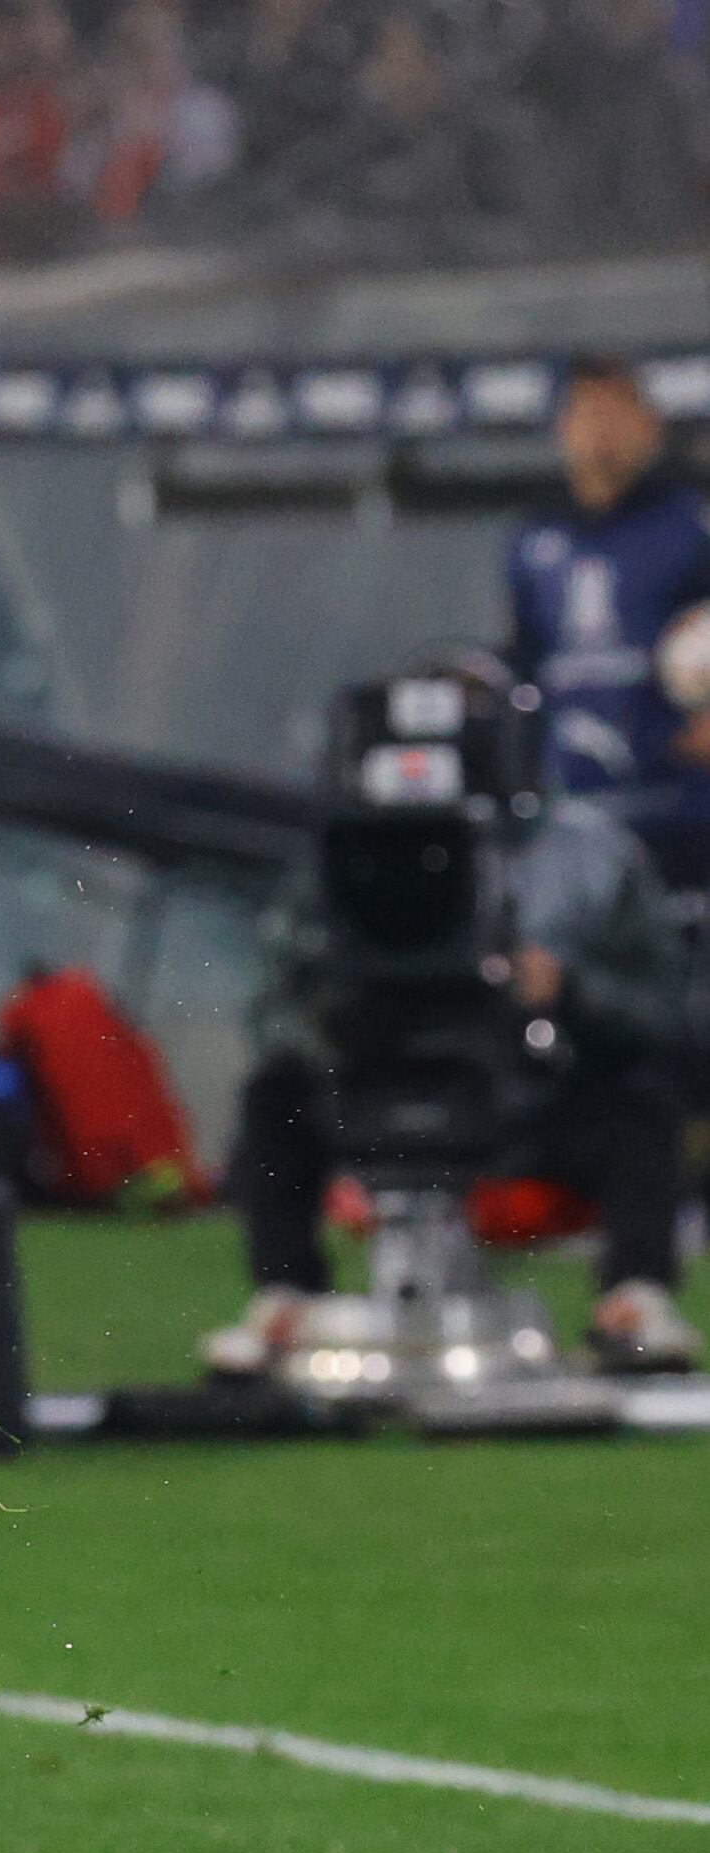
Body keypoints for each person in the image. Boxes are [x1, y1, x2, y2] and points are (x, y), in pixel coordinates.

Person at [203, 783, 699, 1376]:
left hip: (531, 1097)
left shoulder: (594, 854)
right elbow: (276, 1002)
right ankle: (287, 1299)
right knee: (276, 1093)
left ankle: (634, 1303)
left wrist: (569, 991)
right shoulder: (348, 849)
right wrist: (342, 1009)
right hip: (375, 1088)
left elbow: (666, 1012)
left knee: (643, 1103)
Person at [504, 356, 710, 888]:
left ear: (649, 427)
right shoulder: (533, 541)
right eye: (589, 413)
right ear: (562, 429)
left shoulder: (689, 525)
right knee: (546, 938)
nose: (603, 432)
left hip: (682, 802)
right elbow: (525, 660)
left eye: (618, 414)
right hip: (575, 802)